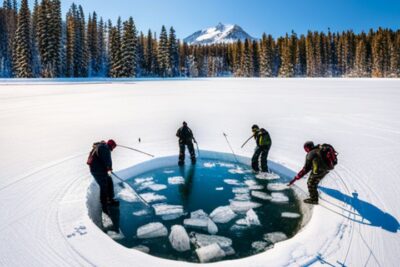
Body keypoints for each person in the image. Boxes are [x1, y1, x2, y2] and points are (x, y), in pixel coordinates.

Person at [87, 139, 119, 213]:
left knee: (109, 181)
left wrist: (108, 168)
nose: (113, 150)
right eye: (113, 148)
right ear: (111, 145)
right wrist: (109, 167)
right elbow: (107, 160)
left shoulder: (102, 147)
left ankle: (110, 199)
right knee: (103, 186)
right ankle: (104, 206)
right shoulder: (104, 148)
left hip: (98, 170)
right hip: (98, 171)